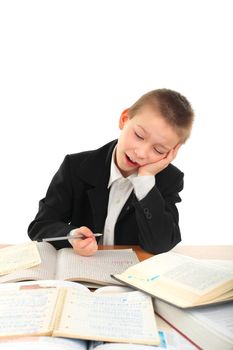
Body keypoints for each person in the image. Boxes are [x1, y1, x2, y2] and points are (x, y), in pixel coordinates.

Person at [28, 88, 194, 256]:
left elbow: (160, 245)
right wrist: (71, 236)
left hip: (130, 277)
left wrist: (145, 181)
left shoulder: (169, 180)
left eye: (158, 150)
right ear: (124, 119)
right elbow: (40, 226)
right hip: (82, 271)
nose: (141, 153)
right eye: (139, 135)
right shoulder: (76, 166)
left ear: (170, 153)